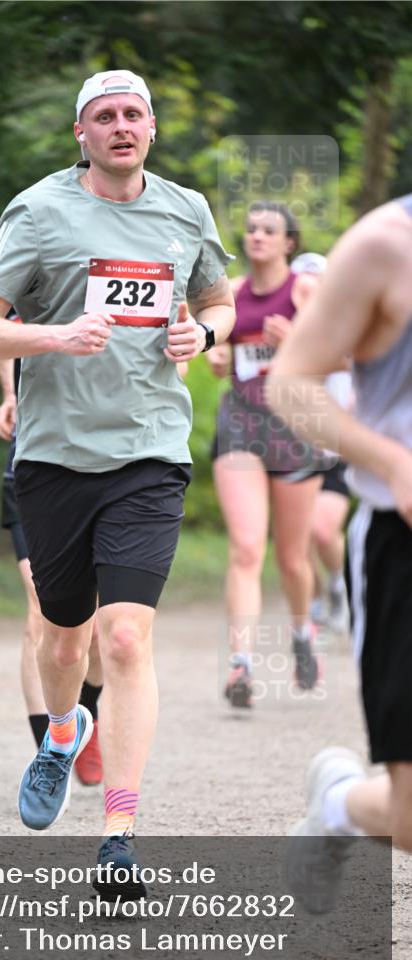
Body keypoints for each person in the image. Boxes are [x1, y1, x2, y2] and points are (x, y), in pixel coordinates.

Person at [0, 69, 235, 893]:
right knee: (62, 636)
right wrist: (52, 337)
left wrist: (205, 335)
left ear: (151, 128)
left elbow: (217, 303)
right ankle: (56, 737)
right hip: (53, 458)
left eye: (133, 115)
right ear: (81, 133)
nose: (120, 127)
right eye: (103, 116)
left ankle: (119, 831)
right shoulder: (38, 211)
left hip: (149, 453)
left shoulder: (185, 210)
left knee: (124, 639)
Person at [268, 195, 412, 912]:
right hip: (403, 539)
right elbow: (291, 380)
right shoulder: (386, 243)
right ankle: (340, 806)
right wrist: (391, 462)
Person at [207, 203, 325, 708]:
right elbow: (215, 355)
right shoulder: (230, 294)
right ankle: (242, 666)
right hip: (241, 426)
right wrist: (214, 353)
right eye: (251, 229)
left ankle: (302, 632)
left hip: (296, 428)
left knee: (293, 558)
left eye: (268, 231)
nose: (257, 237)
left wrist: (295, 341)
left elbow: (342, 356)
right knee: (247, 548)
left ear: (288, 243)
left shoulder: (305, 291)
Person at [0, 354, 103, 785]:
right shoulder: (33, 284)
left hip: (107, 469)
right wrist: (9, 391)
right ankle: (50, 756)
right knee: (41, 607)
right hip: (33, 461)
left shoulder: (128, 285)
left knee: (93, 622)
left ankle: (86, 717)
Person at [290, 254, 352, 633]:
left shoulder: (347, 325)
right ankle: (311, 605)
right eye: (303, 283)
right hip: (290, 449)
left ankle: (339, 584)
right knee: (297, 541)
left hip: (334, 451)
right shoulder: (277, 331)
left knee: (322, 530)